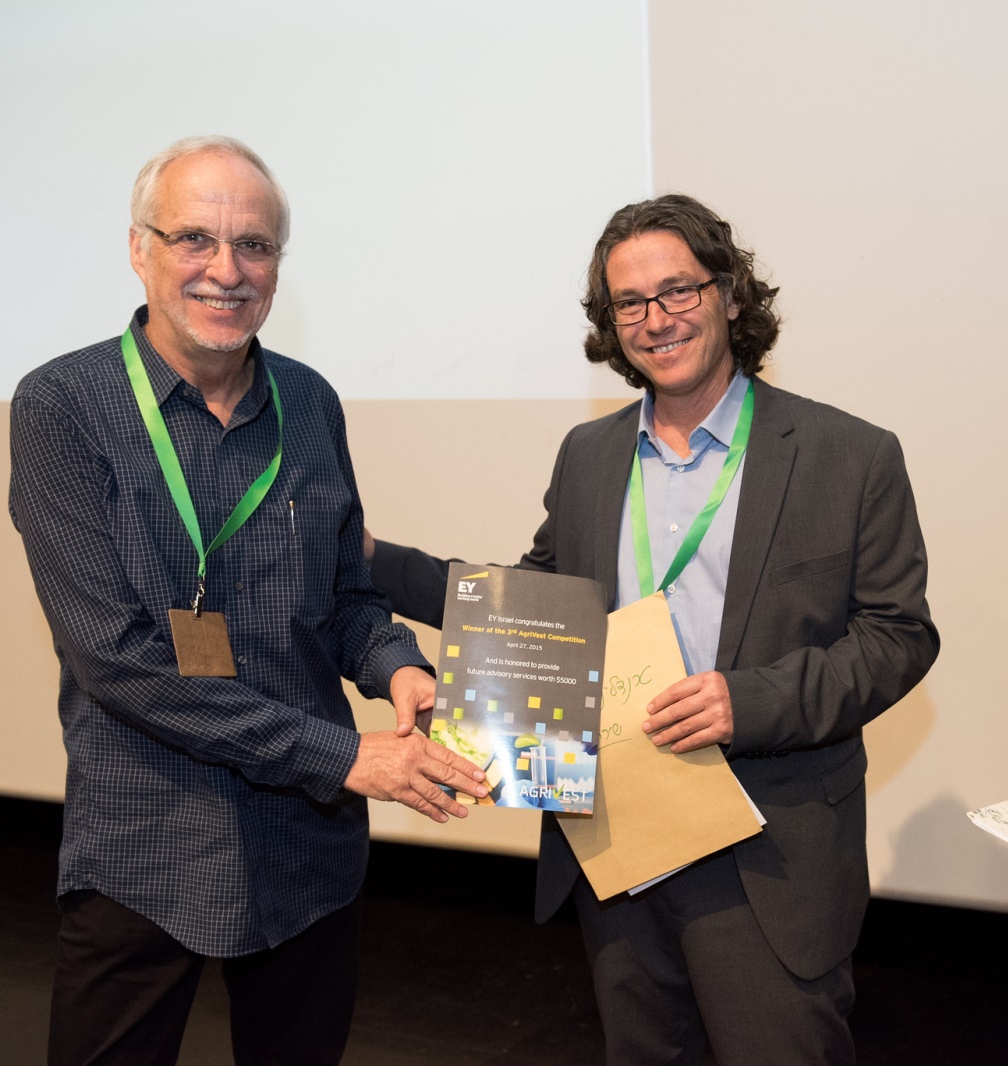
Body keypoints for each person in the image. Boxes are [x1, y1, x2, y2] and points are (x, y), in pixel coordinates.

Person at [367, 194, 938, 1064]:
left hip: (766, 851)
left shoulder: (848, 455)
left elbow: (898, 637)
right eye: (629, 303)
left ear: (731, 295)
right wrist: (373, 559)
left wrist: (749, 702)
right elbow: (535, 611)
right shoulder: (588, 454)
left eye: (678, 291)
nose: (655, 319)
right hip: (617, 839)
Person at [9, 135, 487, 1066]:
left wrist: (400, 667)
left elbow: (343, 592)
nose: (227, 270)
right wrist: (345, 754)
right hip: (145, 844)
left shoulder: (310, 403)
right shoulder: (61, 407)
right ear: (139, 248)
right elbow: (119, 663)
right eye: (195, 239)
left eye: (255, 246)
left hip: (305, 850)